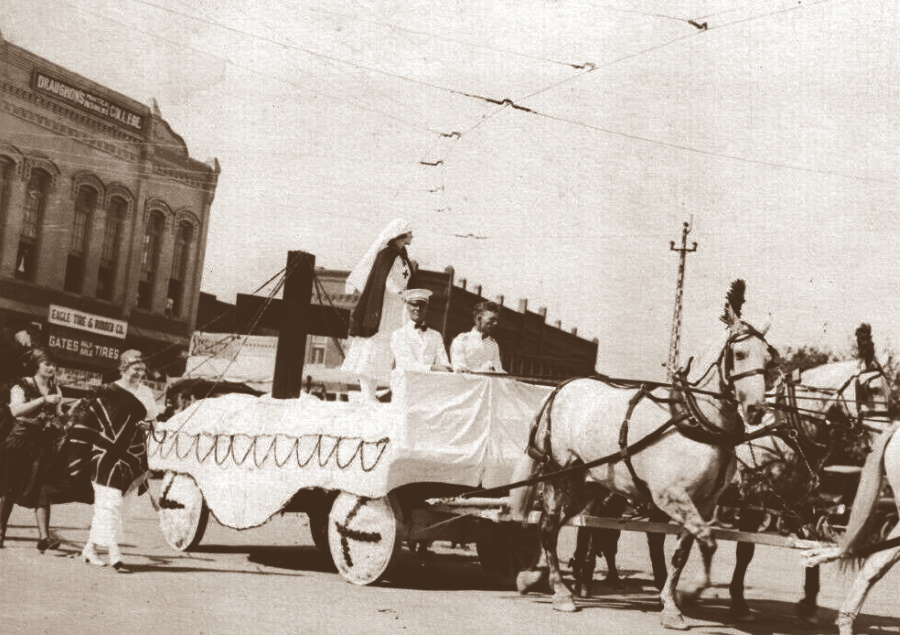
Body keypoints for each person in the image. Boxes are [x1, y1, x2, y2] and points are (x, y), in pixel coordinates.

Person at [71, 350, 158, 571]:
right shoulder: (109, 390)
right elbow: (93, 418)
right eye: (135, 368)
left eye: (142, 369)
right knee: (110, 503)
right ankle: (115, 554)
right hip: (106, 452)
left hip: (132, 454)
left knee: (116, 508)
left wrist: (148, 426)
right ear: (124, 368)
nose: (140, 372)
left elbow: (153, 421)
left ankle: (89, 549)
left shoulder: (146, 392)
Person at [341, 219, 416, 401]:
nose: (412, 236)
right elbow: (387, 279)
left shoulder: (401, 255)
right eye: (409, 233)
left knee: (385, 350)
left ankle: (371, 393)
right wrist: (401, 292)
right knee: (372, 346)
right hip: (383, 308)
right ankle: (367, 394)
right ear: (401, 235)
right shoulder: (387, 254)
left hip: (396, 308)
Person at [0, 348, 64, 552]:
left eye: (53, 365)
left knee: (42, 489)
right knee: (8, 488)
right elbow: (15, 411)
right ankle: (0, 533)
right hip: (19, 441)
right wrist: (42, 400)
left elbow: (59, 415)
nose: (51, 368)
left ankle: (44, 538)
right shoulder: (22, 384)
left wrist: (69, 415)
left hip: (42, 445)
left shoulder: (56, 389)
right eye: (47, 364)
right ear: (37, 364)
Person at [390, 289, 451, 374]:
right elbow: (406, 365)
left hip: (429, 383)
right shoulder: (398, 335)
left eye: (422, 305)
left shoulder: (435, 335)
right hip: (405, 383)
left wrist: (446, 367)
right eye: (414, 305)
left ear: (427, 308)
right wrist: (432, 368)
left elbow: (443, 363)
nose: (418, 308)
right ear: (407, 306)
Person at [449, 301, 505, 373]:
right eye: (492, 319)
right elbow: (460, 370)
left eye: (496, 320)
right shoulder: (462, 340)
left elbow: (498, 371)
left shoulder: (493, 345)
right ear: (479, 319)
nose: (495, 323)